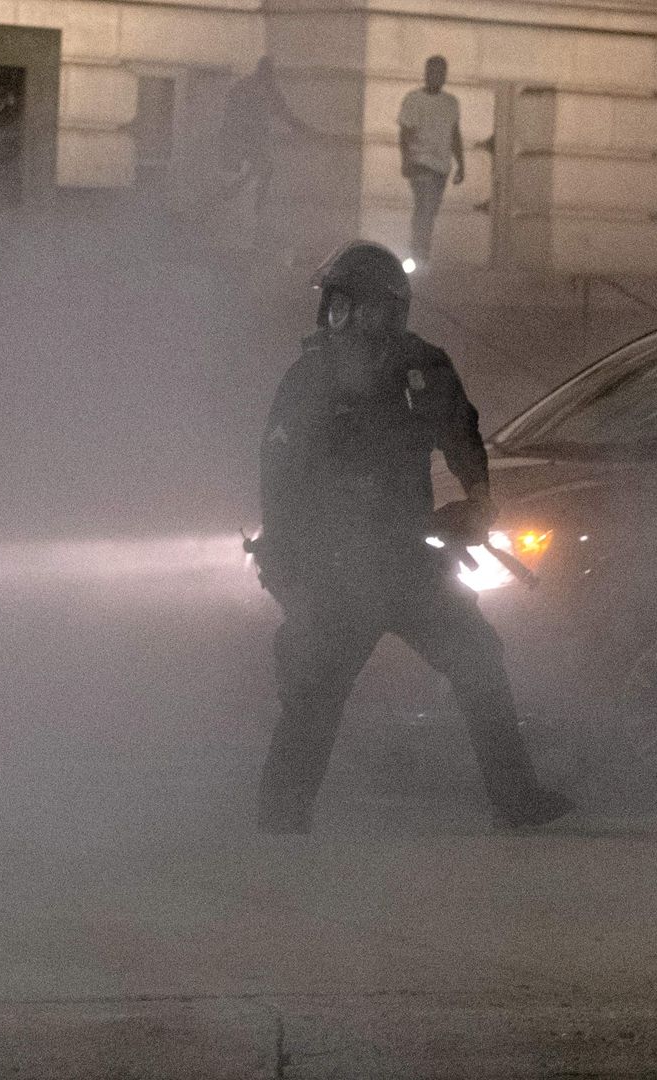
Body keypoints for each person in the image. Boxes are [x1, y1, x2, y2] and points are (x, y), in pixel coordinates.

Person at [250, 240, 570, 834]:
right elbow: (278, 474)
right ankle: (282, 814)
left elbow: (463, 435)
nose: (333, 316)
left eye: (345, 304)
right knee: (316, 691)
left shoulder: (425, 370)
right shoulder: (312, 376)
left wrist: (479, 500)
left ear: (381, 309)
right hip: (339, 566)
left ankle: (516, 797)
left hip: (405, 557)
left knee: (477, 658)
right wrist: (288, 559)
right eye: (333, 305)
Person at [221, 56, 309, 218]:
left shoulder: (256, 87)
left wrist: (301, 127)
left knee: (263, 169)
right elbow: (283, 112)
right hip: (244, 137)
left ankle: (238, 196)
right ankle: (249, 205)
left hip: (248, 137)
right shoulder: (254, 87)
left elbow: (284, 111)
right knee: (263, 168)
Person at [397, 56, 464, 266]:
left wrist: (461, 164)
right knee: (425, 208)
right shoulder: (413, 100)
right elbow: (404, 133)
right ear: (425, 74)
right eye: (431, 72)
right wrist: (406, 159)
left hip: (441, 166)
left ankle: (419, 251)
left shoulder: (451, 103)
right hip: (420, 163)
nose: (435, 76)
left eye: (439, 72)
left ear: (444, 76)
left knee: (429, 210)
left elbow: (455, 134)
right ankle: (419, 255)